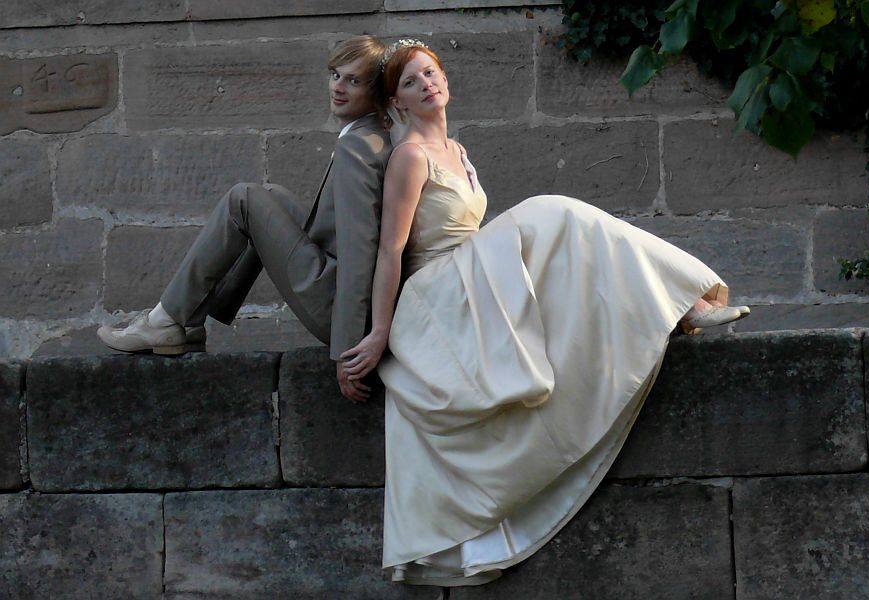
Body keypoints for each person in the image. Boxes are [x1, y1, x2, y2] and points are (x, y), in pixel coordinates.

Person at [338, 40, 750, 586]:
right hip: (437, 291)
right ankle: (683, 301)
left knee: (563, 241)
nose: (427, 85)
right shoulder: (410, 156)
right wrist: (381, 332)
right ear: (399, 102)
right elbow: (391, 251)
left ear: (447, 82)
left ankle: (674, 307)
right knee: (555, 214)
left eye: (432, 73)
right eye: (413, 82)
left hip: (468, 277)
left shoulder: (457, 151)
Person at [97, 35, 392, 402]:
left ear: (378, 91)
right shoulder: (374, 137)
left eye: (354, 80)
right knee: (270, 196)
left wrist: (347, 350)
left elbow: (361, 252)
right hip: (339, 293)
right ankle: (189, 314)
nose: (338, 87)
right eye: (334, 75)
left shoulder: (358, 147)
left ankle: (167, 321)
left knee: (245, 199)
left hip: (334, 308)